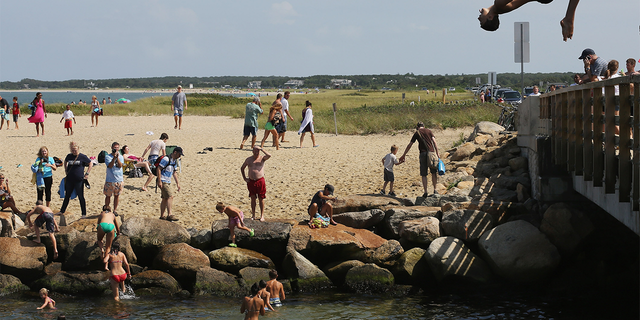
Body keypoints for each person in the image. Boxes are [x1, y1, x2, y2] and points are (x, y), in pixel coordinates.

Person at [478, 0, 580, 41]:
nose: (478, 17)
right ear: (490, 17)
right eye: (480, 20)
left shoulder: (500, 8)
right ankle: (569, 18)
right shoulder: (499, 4)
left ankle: (569, 18)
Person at [398, 122, 441, 198]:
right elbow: (434, 142)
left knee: (424, 174)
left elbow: (410, 145)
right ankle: (435, 189)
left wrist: (404, 155)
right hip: (431, 153)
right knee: (433, 172)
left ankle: (425, 192)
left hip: (423, 154)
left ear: (417, 127)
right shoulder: (429, 131)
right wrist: (437, 153)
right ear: (424, 126)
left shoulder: (417, 133)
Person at [60, 142, 93, 217]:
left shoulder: (82, 156)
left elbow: (90, 163)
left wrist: (87, 173)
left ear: (78, 149)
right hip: (70, 179)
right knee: (67, 195)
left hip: (79, 180)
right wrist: (65, 170)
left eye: (75, 150)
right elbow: (65, 162)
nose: (74, 151)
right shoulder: (69, 156)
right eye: (72, 150)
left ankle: (83, 214)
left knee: (81, 196)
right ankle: (62, 211)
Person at [241, 146, 271, 221]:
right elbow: (242, 168)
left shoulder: (262, 158)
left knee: (261, 198)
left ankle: (262, 215)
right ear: (252, 151)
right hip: (251, 181)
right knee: (253, 198)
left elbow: (269, 155)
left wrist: (262, 149)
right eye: (254, 151)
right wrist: (244, 178)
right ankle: (253, 215)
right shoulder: (249, 159)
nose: (256, 152)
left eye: (257, 151)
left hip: (260, 180)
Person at [157, 147, 183, 221]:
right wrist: (159, 181)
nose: (179, 156)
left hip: (168, 181)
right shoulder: (166, 159)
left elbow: (174, 173)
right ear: (175, 152)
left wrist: (177, 183)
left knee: (164, 198)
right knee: (170, 196)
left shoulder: (174, 161)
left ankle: (162, 216)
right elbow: (159, 169)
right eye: (179, 154)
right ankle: (169, 214)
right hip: (163, 180)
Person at [104, 142, 124, 215]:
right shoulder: (108, 157)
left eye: (117, 148)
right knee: (108, 196)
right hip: (110, 179)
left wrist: (117, 157)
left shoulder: (121, 156)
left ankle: (115, 210)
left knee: (117, 196)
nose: (116, 149)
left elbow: (120, 165)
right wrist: (114, 158)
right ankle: (107, 208)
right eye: (115, 148)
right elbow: (110, 165)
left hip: (119, 179)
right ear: (112, 148)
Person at [97, 204, 119, 270]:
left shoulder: (101, 214)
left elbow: (98, 224)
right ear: (110, 210)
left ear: (103, 210)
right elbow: (117, 226)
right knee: (108, 247)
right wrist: (118, 233)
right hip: (111, 226)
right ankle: (106, 266)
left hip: (102, 225)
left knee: (99, 240)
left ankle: (101, 250)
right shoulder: (112, 214)